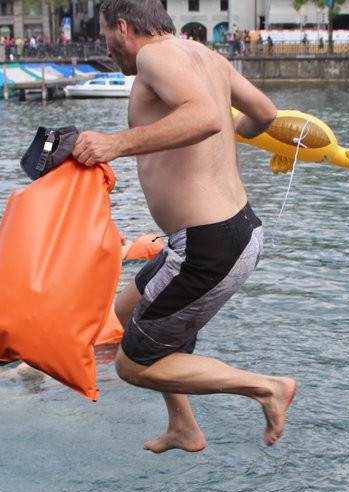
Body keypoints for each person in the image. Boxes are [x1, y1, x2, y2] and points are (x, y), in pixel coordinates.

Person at [71, 0, 297, 454]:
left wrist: (115, 144)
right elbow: (265, 112)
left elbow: (205, 118)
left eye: (104, 35)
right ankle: (183, 427)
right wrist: (233, 135)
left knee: (131, 367)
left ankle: (267, 387)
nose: (105, 46)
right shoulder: (205, 55)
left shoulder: (155, 56)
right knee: (123, 313)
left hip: (208, 244)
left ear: (121, 27)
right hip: (226, 232)